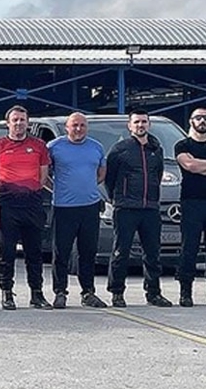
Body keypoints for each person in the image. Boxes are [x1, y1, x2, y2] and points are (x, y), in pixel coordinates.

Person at [0, 105, 52, 310]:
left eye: (22, 120)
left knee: (34, 252)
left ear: (28, 123)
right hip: (8, 208)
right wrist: (3, 196)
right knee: (6, 252)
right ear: (8, 123)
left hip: (32, 206)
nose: (19, 123)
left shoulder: (39, 146)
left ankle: (37, 294)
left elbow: (42, 178)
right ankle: (7, 293)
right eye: (15, 120)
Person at [104, 109, 172, 308]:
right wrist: (118, 198)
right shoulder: (120, 149)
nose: (140, 125)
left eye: (143, 122)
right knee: (121, 252)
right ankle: (117, 292)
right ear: (130, 126)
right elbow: (110, 179)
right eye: (136, 122)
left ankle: (153, 293)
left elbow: (157, 175)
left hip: (150, 208)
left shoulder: (156, 149)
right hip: (126, 208)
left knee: (152, 253)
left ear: (149, 124)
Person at [47, 112, 107, 309]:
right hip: (64, 207)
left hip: (90, 207)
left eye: (82, 125)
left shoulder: (96, 147)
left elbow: (101, 173)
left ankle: (88, 292)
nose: (78, 129)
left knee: (88, 252)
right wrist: (57, 188)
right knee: (61, 252)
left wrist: (86, 187)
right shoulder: (54, 147)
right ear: (67, 127)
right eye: (74, 125)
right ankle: (60, 292)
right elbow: (43, 174)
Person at [174, 107, 206, 307]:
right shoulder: (182, 145)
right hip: (191, 202)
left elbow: (195, 165)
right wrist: (195, 165)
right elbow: (189, 166)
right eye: (198, 117)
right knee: (189, 248)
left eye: (205, 118)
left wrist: (198, 165)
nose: (202, 121)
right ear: (191, 121)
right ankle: (185, 291)